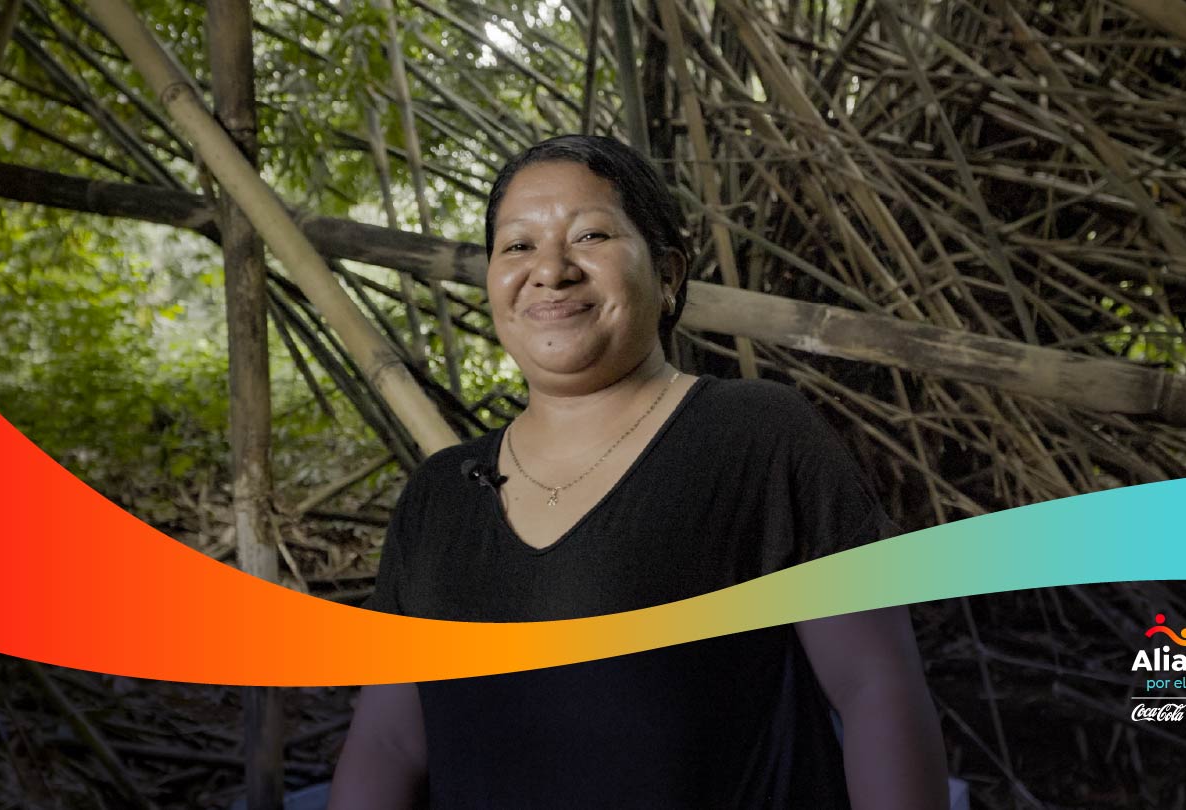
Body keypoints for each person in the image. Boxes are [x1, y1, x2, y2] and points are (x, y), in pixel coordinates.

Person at [327, 134, 947, 809]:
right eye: (518, 245)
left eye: (590, 235)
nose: (551, 270)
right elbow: (390, 741)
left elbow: (873, 687)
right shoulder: (440, 496)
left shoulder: (757, 436)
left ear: (668, 274)